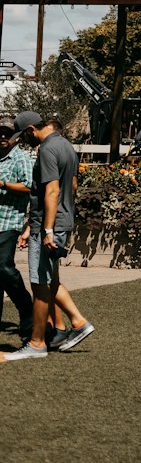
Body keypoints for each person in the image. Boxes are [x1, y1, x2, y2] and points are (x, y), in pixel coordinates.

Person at [1, 111, 93, 362]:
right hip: (59, 221)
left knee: (40, 283)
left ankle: (37, 342)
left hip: (49, 226)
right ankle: (76, 323)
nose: (24, 140)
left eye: (24, 135)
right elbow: (71, 187)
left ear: (31, 129)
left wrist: (47, 228)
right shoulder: (66, 146)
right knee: (50, 280)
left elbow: (51, 191)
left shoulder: (46, 150)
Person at [0, 122, 33, 343]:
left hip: (9, 221)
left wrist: (2, 183)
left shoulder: (21, 158)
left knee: (3, 266)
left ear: (16, 138)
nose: (3, 137)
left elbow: (30, 186)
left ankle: (26, 309)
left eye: (7, 134)